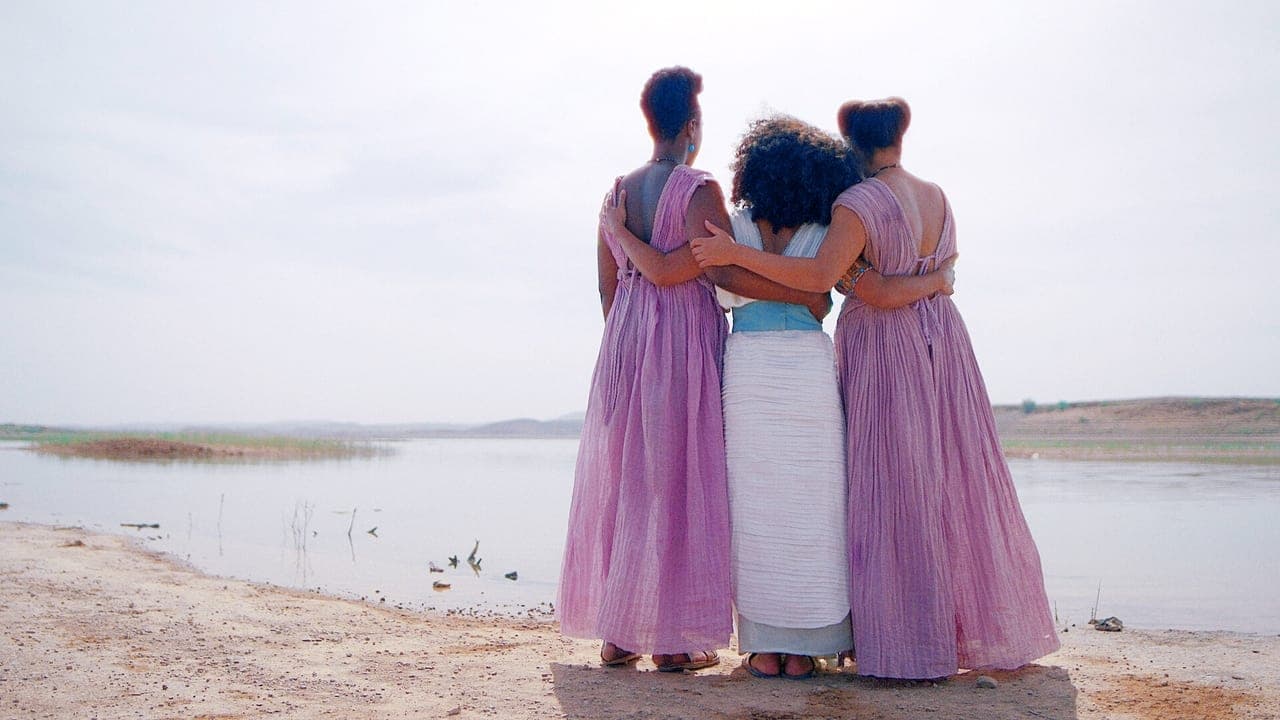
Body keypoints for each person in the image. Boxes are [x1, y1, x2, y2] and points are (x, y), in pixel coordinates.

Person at [690, 97, 1058, 680]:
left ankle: (788, 642)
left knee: (801, 500)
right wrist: (932, 281)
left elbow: (833, 287)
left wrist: (746, 263)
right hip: (914, 347)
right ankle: (842, 639)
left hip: (812, 360)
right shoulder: (926, 199)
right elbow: (823, 294)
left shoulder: (838, 211)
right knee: (862, 497)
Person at [557, 67, 831, 673]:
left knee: (634, 483)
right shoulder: (698, 189)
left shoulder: (616, 194)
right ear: (691, 125)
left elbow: (608, 286)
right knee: (681, 483)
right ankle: (673, 641)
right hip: (680, 344)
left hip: (627, 341)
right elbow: (698, 270)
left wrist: (629, 332)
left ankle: (619, 635)